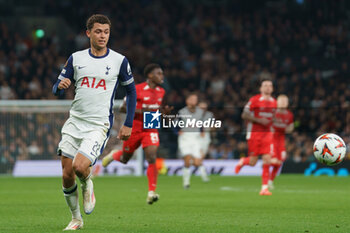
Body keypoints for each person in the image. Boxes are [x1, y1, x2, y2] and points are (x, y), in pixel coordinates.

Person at [52, 14, 136, 231]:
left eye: (106, 32)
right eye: (98, 31)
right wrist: (59, 87)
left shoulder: (119, 60)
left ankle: (88, 181)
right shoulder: (76, 58)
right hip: (75, 121)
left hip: (98, 124)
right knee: (66, 172)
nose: (103, 36)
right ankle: (76, 219)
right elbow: (58, 86)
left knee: (80, 167)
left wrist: (128, 123)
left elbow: (132, 92)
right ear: (88, 33)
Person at [102, 63, 170, 204]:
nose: (162, 76)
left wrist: (162, 113)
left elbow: (154, 111)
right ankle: (115, 154)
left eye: (162, 73)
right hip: (134, 128)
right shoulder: (136, 90)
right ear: (150, 75)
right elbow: (122, 108)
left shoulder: (161, 92)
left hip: (151, 126)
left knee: (151, 157)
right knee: (125, 159)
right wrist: (144, 111)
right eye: (159, 73)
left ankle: (151, 192)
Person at [235, 79, 276, 195]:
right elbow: (244, 114)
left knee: (267, 159)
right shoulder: (254, 100)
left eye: (270, 85)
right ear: (261, 89)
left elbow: (274, 118)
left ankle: (264, 188)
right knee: (253, 162)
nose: (268, 87)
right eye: (265, 85)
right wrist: (259, 120)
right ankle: (243, 161)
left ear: (272, 89)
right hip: (254, 134)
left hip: (267, 134)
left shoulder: (274, 103)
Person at [178, 94, 209, 189]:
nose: (193, 101)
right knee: (187, 159)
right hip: (185, 138)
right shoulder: (182, 112)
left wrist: (202, 131)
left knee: (196, 162)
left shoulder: (200, 112)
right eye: (191, 99)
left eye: (195, 99)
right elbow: (174, 123)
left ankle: (203, 174)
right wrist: (177, 131)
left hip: (196, 138)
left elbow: (201, 123)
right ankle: (186, 183)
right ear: (187, 101)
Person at [269, 94, 294, 189]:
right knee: (274, 161)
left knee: (280, 162)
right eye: (281, 101)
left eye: (285, 101)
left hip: (281, 140)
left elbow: (290, 128)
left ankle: (270, 180)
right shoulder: (272, 112)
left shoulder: (289, 115)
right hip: (271, 139)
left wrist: (287, 129)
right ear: (277, 102)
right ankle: (265, 164)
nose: (283, 103)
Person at [198, 100, 213, 181]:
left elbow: (212, 126)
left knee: (201, 156)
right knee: (200, 156)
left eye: (204, 108)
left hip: (206, 138)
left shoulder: (209, 115)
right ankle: (204, 175)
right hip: (197, 138)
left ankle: (202, 173)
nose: (203, 109)